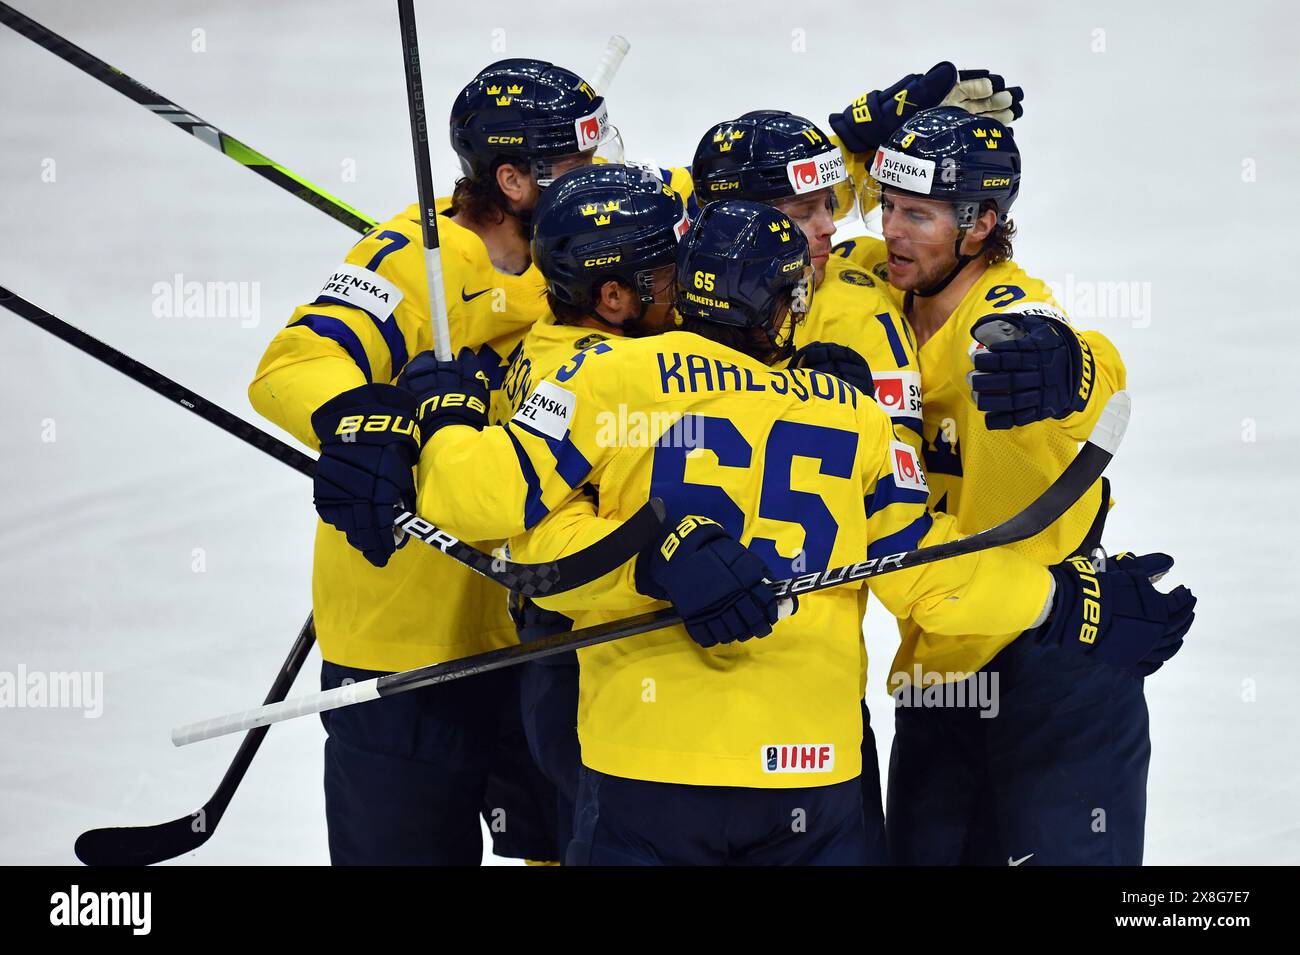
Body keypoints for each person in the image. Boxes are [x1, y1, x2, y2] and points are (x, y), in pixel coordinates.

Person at [399, 199, 1194, 864]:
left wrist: (446, 415)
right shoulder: (854, 415)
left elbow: (475, 503)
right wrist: (1062, 600)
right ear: (785, 306)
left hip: (648, 770)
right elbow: (926, 579)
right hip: (813, 784)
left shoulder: (606, 375)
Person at [247, 57, 618, 865]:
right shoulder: (415, 255)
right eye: (584, 163)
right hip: (405, 644)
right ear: (516, 179)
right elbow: (293, 365)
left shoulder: (581, 248)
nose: (605, 177)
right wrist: (359, 418)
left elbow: (712, 191)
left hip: (538, 627)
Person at [843, 105, 1196, 865]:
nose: (893, 230)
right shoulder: (873, 280)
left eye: (920, 214)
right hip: (940, 668)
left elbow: (1088, 367)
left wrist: (1071, 368)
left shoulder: (1004, 321)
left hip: (1055, 666)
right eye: (887, 205)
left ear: (981, 224)